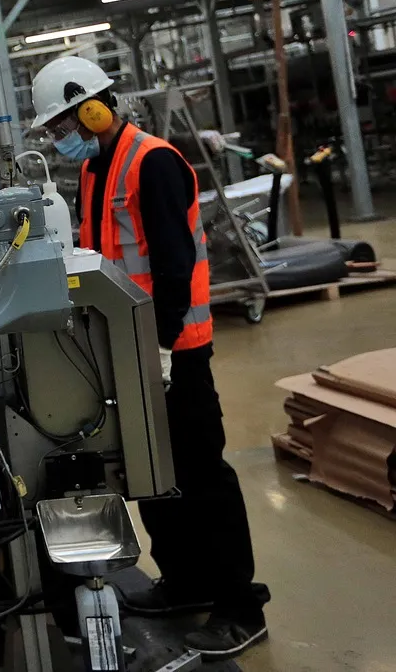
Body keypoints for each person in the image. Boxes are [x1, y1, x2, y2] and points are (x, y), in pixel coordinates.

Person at [29, 56, 269, 660]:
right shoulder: (97, 171)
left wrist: (160, 345)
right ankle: (186, 584)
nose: (61, 140)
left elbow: (172, 263)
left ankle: (240, 605)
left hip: (173, 350)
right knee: (153, 475)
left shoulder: (153, 162)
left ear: (93, 109)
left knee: (201, 474)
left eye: (62, 126)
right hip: (129, 348)